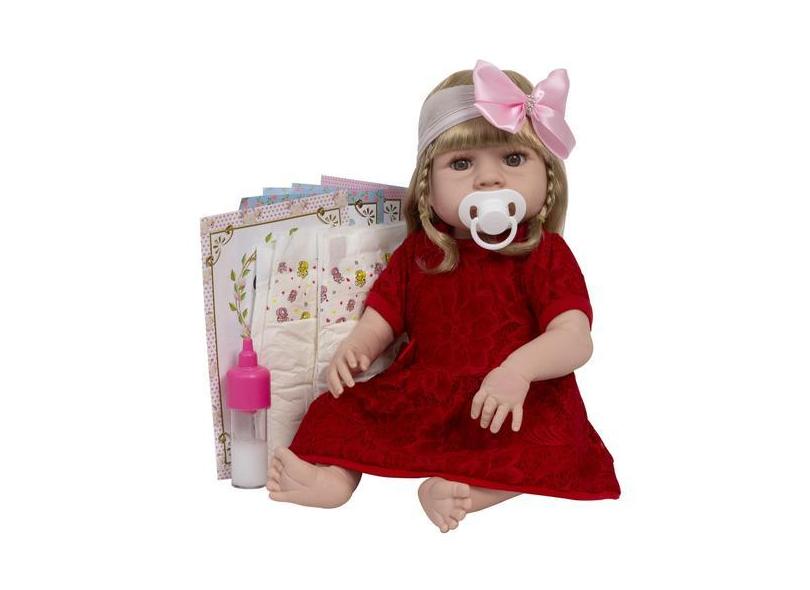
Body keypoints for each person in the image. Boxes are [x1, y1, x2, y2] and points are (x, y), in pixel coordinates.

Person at [267, 59, 621, 533]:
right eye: (462, 163)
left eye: (513, 159)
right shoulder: (420, 253)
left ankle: (465, 492)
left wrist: (518, 371)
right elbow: (382, 317)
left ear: (548, 175)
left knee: (553, 442)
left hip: (511, 397)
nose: (489, 179)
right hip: (427, 393)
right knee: (335, 408)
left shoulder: (544, 253)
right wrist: (359, 346)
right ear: (428, 190)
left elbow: (575, 337)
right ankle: (335, 478)